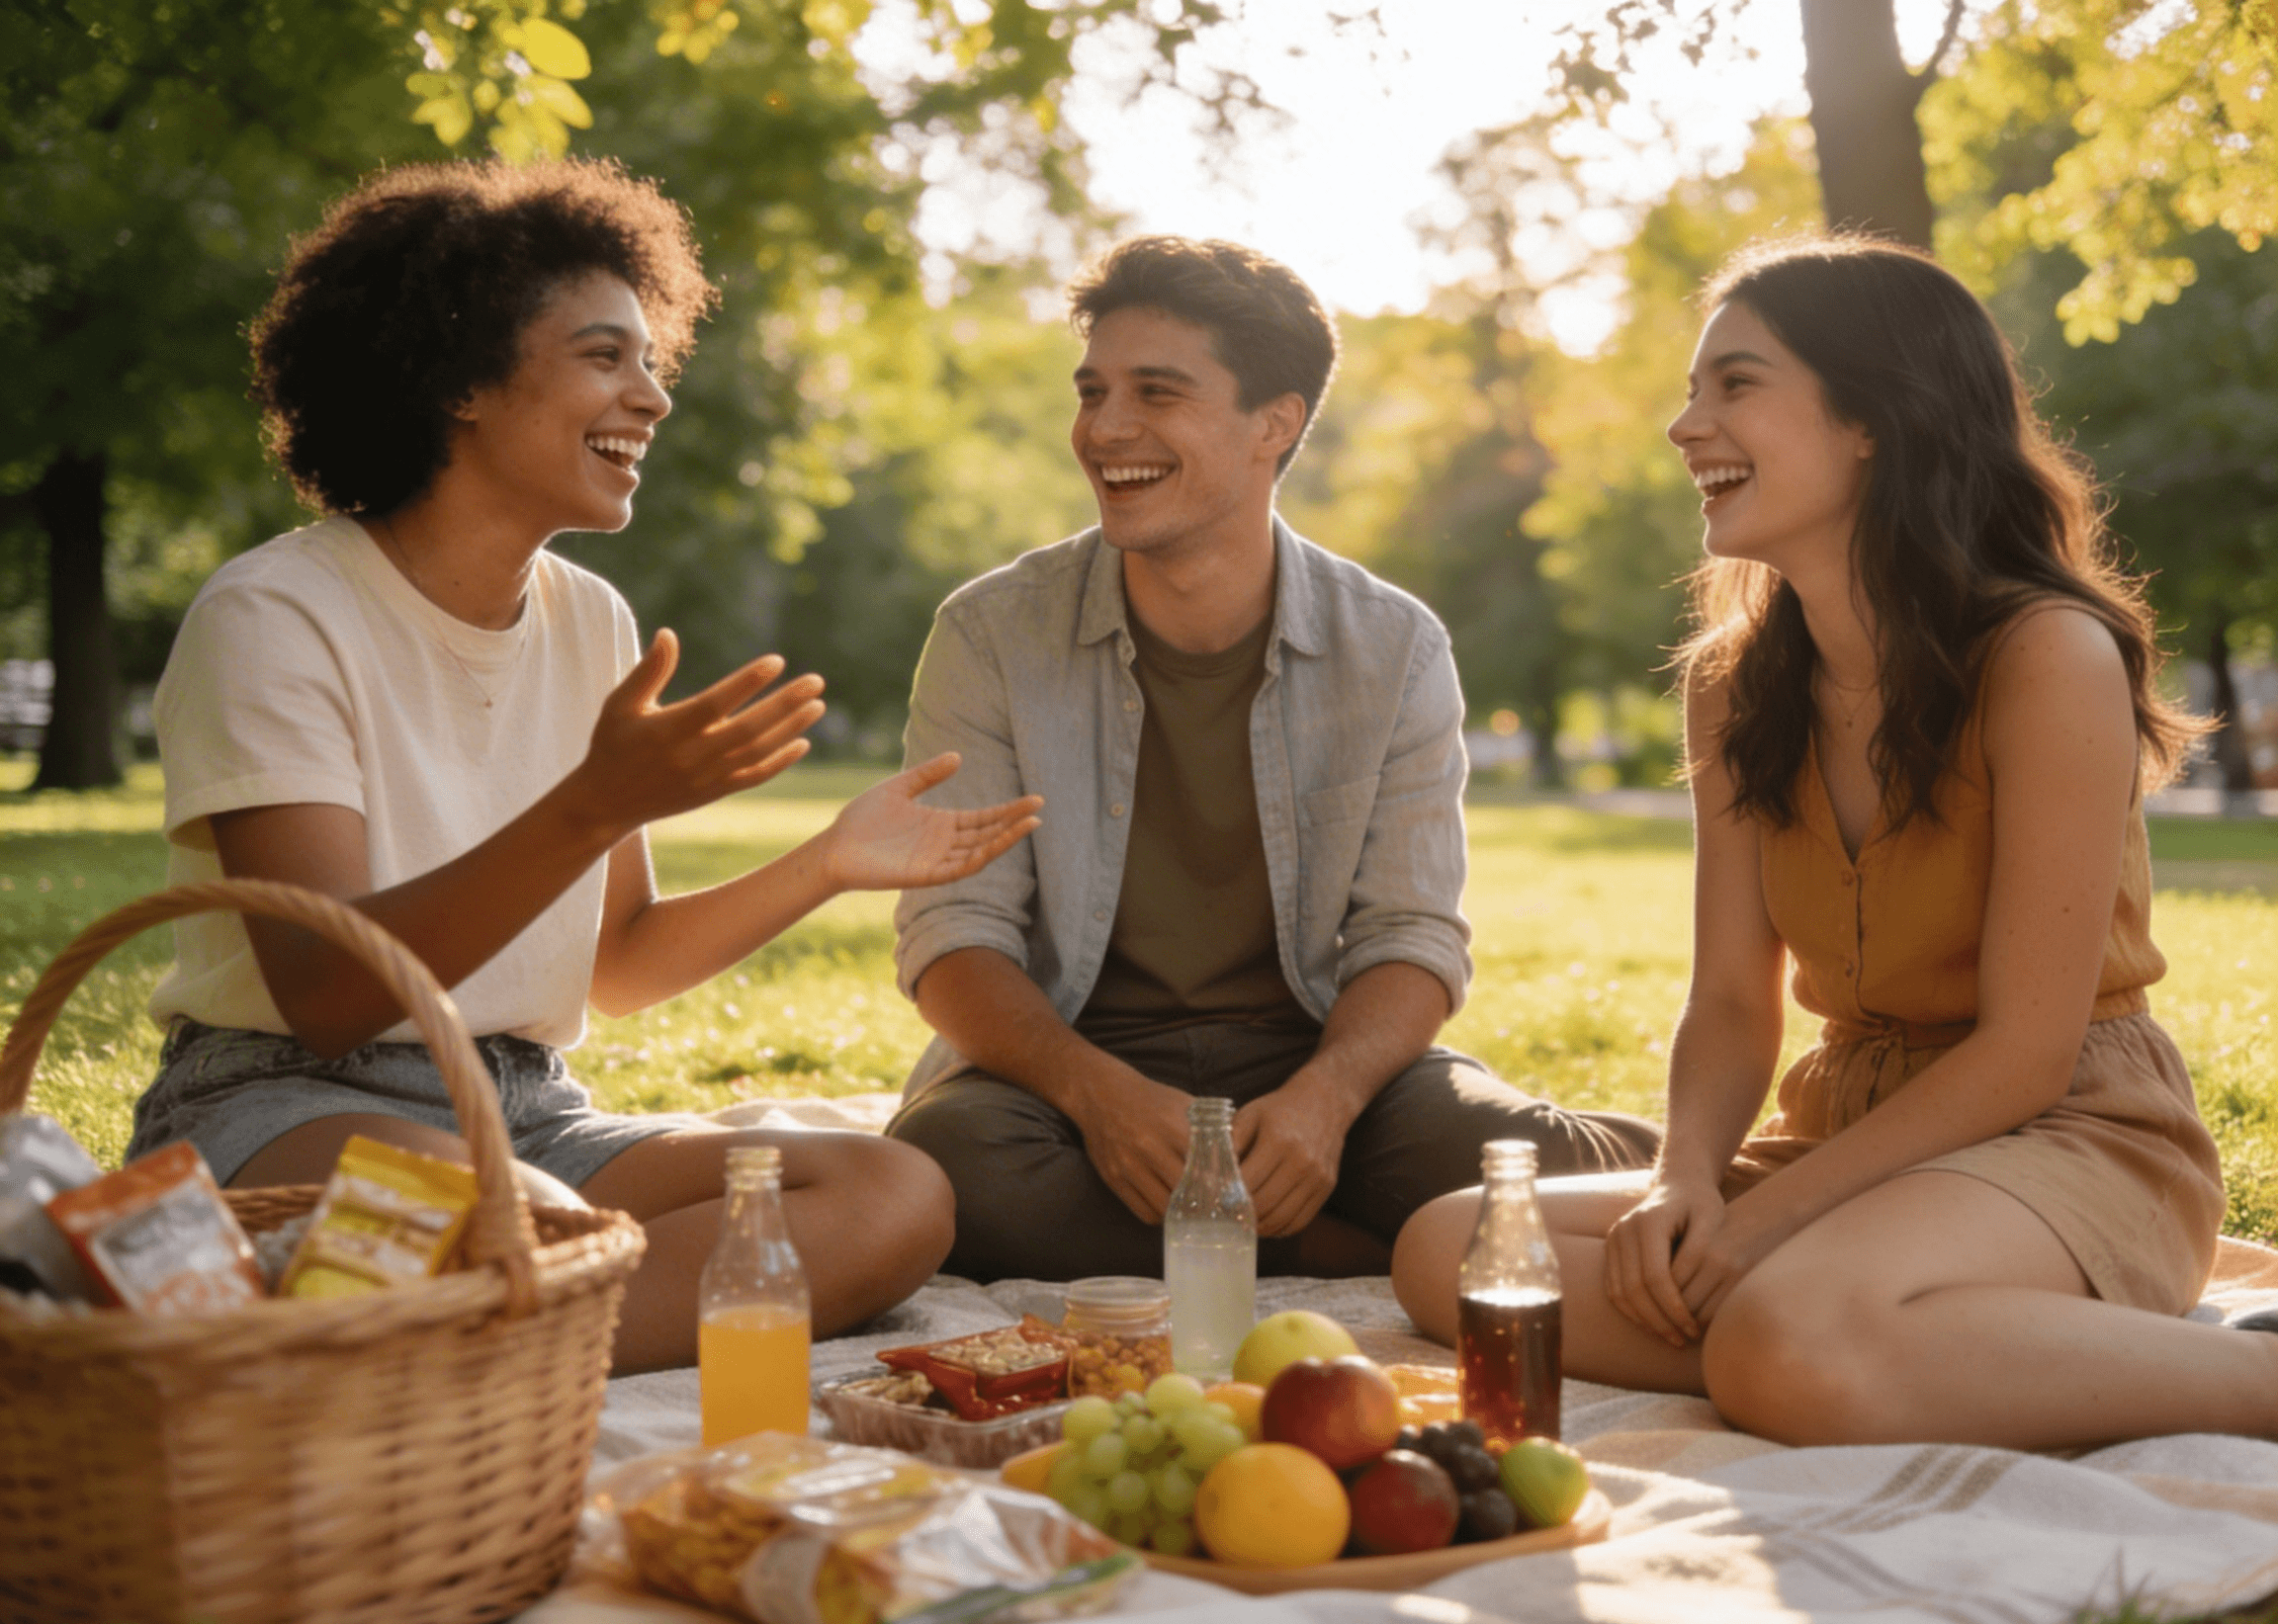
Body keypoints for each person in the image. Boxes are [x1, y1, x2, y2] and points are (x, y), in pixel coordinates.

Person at [129, 158, 1040, 1373]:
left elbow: (619, 963)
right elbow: (331, 995)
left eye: (651, 359)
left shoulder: (590, 620)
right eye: (606, 357)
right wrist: (593, 804)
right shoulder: (274, 616)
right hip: (281, 1101)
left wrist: (826, 864)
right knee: (540, 1232)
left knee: (890, 1192)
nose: (652, 398)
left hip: (527, 1106)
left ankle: (470, 1342)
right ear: (460, 379)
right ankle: (498, 1327)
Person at [1390, 235, 2276, 1449]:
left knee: (1775, 1337)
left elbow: (2024, 1054)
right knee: (1459, 1249)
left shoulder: (2044, 657)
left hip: (2070, 1133)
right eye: (1694, 389)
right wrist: (1686, 1182)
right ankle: (1901, 1342)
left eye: (1734, 384)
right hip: (1847, 1131)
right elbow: (1731, 1002)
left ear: (1872, 418)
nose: (1684, 425)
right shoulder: (1732, 684)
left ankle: (2234, 1379)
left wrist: (1755, 1234)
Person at [885, 235, 1659, 1284]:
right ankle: (1339, 1246)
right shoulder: (989, 634)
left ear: (1275, 424)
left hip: (1313, 1059)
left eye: (1155, 392)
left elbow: (1412, 935)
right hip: (1069, 1070)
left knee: (1504, 1157)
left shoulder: (1394, 647)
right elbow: (951, 937)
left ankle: (1701, 1177)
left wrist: (1328, 1104)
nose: (1105, 428)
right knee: (953, 1170)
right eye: (1094, 390)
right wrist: (1099, 1097)